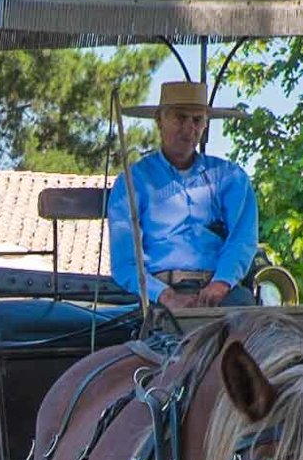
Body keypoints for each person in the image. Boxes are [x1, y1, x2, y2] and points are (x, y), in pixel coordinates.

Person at [104, 80, 260, 308]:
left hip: (221, 293)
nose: (189, 128)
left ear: (205, 125)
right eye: (180, 118)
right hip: (159, 295)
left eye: (197, 120)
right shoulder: (133, 181)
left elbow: (242, 239)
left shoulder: (230, 177)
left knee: (257, 330)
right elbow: (125, 263)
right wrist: (165, 295)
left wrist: (222, 282)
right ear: (160, 121)